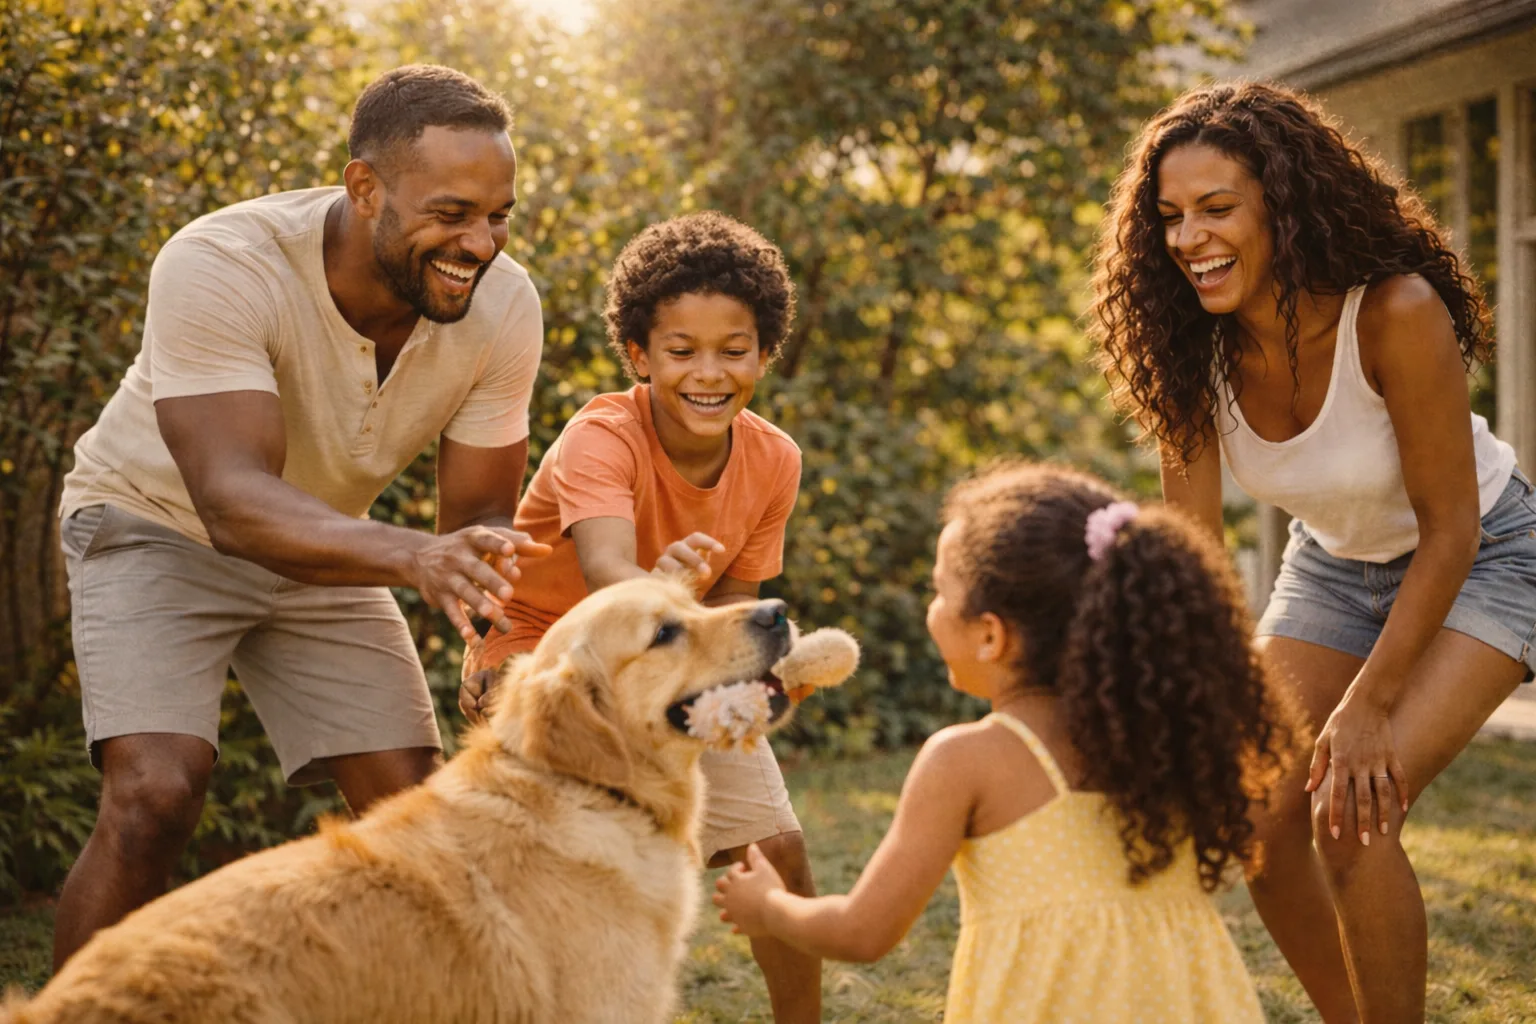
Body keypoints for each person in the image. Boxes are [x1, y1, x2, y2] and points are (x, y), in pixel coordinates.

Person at [51, 64, 551, 969]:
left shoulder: (505, 306)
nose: (480, 243)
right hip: (153, 523)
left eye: (499, 214)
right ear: (365, 188)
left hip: (330, 544)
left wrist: (495, 646)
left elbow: (477, 517)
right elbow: (233, 498)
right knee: (158, 791)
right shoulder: (222, 262)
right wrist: (413, 555)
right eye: (452, 213)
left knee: (419, 819)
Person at [1092, 80, 1536, 1022]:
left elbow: (1451, 526)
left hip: (1487, 552)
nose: (1189, 238)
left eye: (1218, 209)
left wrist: (1369, 702)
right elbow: (1196, 552)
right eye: (1170, 217)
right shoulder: (1189, 351)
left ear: (1282, 208)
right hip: (1336, 566)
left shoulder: (1394, 312)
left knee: (1353, 809)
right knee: (1255, 812)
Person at [714, 461, 1300, 1023]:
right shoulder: (1162, 739)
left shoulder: (964, 761)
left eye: (940, 591)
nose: (932, 607)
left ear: (990, 634)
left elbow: (863, 931)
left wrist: (768, 906)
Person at [456, 210, 820, 1022]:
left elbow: (732, 602)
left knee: (779, 849)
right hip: (542, 656)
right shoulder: (602, 436)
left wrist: (765, 666)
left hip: (676, 654)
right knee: (568, 870)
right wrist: (657, 583)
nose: (709, 373)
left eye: (734, 350)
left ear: (765, 353)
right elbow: (607, 574)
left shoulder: (774, 458)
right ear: (639, 356)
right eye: (681, 351)